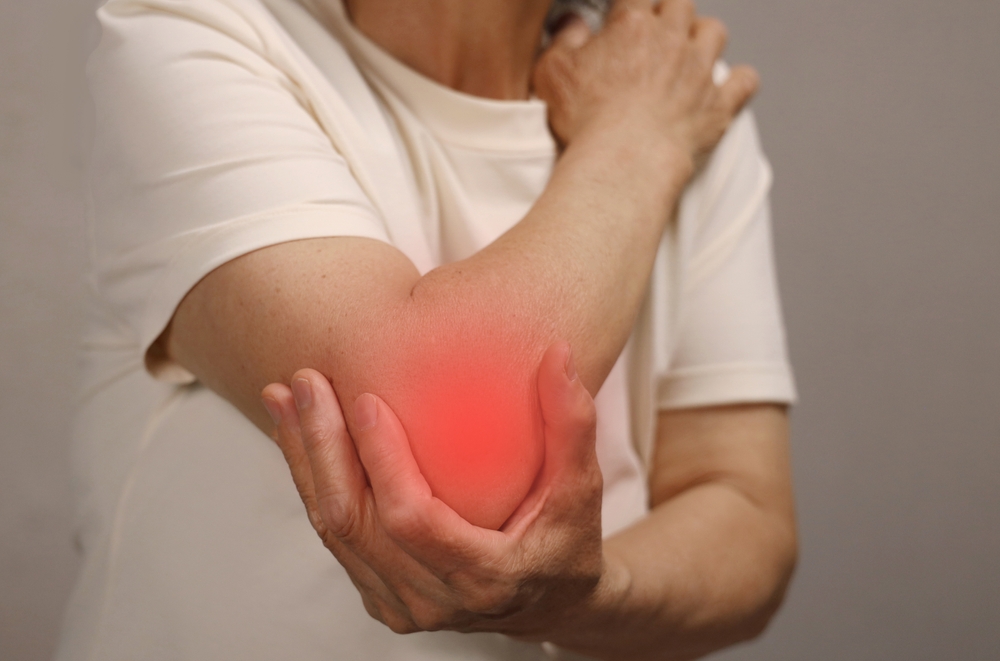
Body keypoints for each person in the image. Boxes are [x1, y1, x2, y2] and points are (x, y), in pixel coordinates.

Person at [57, 0, 798, 659]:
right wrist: (636, 145)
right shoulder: (198, 32)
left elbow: (747, 520)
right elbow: (452, 457)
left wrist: (583, 598)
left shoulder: (674, 84)